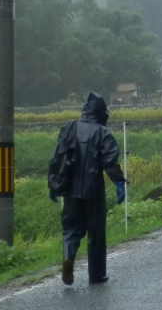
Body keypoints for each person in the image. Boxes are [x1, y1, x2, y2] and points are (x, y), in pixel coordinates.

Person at [48, 92, 126, 285]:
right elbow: (110, 161)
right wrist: (119, 182)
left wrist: (52, 184)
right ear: (100, 112)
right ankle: (96, 275)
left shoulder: (69, 128)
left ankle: (68, 256)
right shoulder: (102, 132)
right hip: (93, 190)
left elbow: (55, 159)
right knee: (96, 232)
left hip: (71, 190)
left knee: (71, 228)